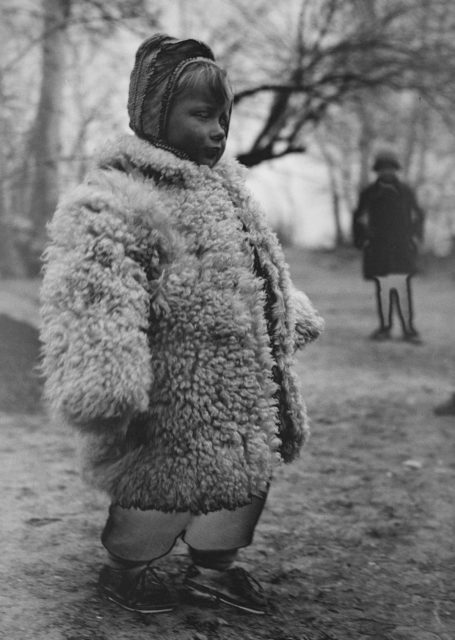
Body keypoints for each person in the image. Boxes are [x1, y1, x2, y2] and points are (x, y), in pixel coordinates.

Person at [40, 34, 324, 616]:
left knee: (243, 477)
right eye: (202, 115)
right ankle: (127, 568)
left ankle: (215, 568)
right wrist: (103, 375)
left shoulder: (230, 192)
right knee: (157, 486)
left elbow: (261, 263)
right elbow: (96, 284)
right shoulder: (118, 195)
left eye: (224, 116)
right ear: (155, 115)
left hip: (242, 389)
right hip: (169, 392)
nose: (219, 130)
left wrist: (287, 314)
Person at [352, 150, 425, 343]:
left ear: (396, 170)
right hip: (378, 247)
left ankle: (408, 329)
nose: (387, 172)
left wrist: (416, 237)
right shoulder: (369, 193)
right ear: (377, 171)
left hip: (401, 245)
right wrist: (362, 239)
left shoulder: (405, 192)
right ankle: (385, 327)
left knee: (402, 287)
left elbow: (419, 215)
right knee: (383, 288)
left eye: (390, 168)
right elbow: (358, 217)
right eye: (383, 168)